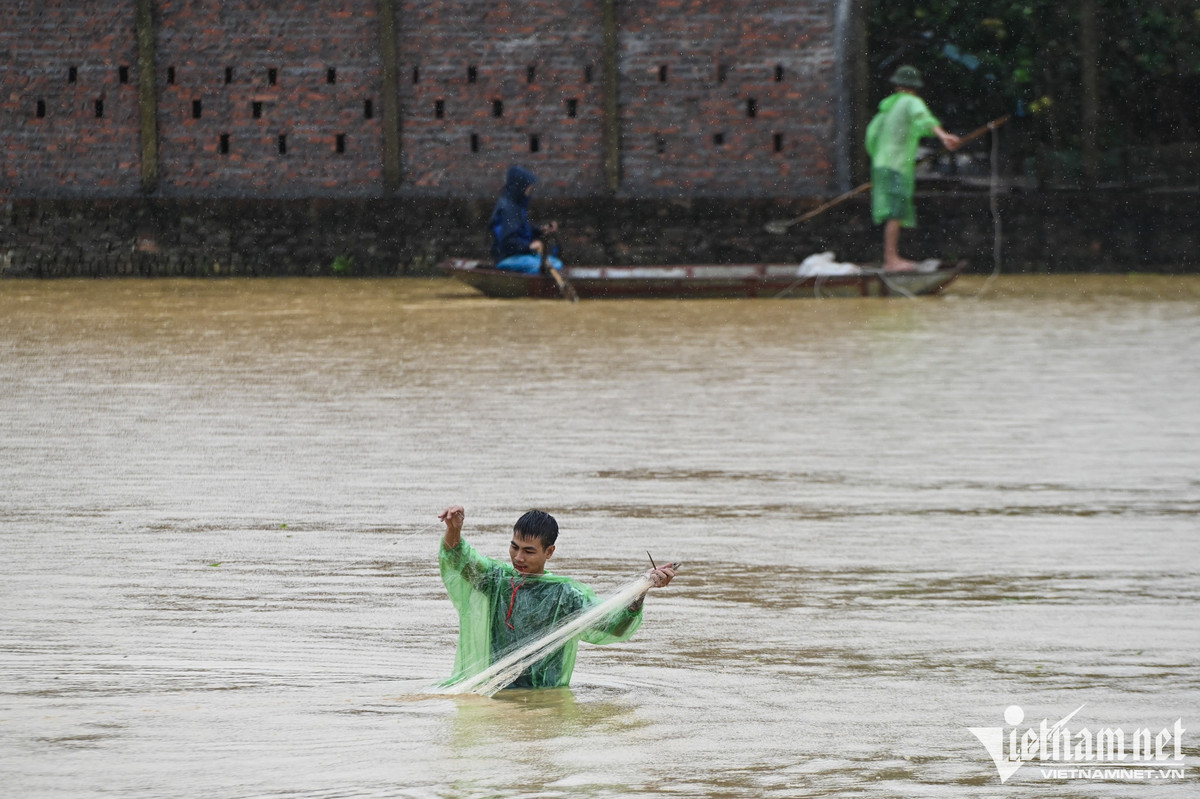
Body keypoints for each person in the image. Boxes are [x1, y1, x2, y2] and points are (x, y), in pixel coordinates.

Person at [437, 504, 675, 690]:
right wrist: (454, 529)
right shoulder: (496, 579)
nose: (518, 557)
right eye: (514, 547)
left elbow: (614, 627)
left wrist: (641, 590)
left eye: (529, 551)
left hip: (544, 696)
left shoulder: (564, 595)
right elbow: (458, 558)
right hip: (497, 691)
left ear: (549, 552)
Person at [865, 65, 961, 271]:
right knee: (896, 211)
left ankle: (891, 257)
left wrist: (880, 158)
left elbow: (872, 135)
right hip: (897, 166)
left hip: (882, 165)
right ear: (915, 87)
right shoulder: (911, 102)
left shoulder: (888, 107)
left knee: (893, 210)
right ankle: (891, 260)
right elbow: (924, 119)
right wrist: (944, 136)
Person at [488, 165, 562, 273]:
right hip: (507, 258)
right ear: (520, 186)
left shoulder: (516, 205)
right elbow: (507, 242)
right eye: (528, 187)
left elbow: (522, 231)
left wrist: (541, 230)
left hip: (520, 255)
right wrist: (529, 246)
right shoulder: (508, 209)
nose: (530, 189)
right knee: (554, 265)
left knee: (554, 263)